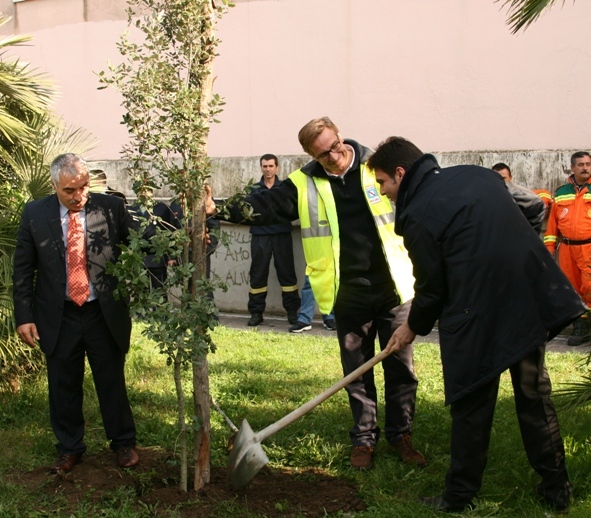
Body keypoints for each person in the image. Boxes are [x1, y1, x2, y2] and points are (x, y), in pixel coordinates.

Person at [368, 137, 585, 513]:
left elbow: (432, 289)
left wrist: (411, 328)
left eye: (384, 183)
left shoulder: (418, 214)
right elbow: (534, 207)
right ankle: (557, 489)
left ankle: (458, 498)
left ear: (401, 173)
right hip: (525, 298)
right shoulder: (479, 176)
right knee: (534, 396)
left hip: (476, 316)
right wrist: (515, 251)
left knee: (471, 405)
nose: (384, 193)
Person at [207, 117, 424, 470]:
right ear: (311, 156)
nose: (335, 156)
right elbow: (266, 205)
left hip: (395, 288)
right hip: (347, 295)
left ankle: (402, 437)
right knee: (356, 373)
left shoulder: (375, 166)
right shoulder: (303, 183)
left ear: (341, 136)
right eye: (324, 155)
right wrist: (218, 208)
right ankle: (364, 440)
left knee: (401, 369)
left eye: (336, 146)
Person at [13, 153, 140, 473]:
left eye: (83, 187)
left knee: (111, 379)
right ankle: (69, 447)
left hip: (102, 312)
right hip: (58, 314)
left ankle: (123, 443)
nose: (78, 196)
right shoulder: (35, 214)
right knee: (62, 384)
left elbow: (143, 240)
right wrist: (24, 315)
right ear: (55, 185)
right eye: (70, 190)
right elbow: (23, 269)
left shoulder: (110, 208)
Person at [245, 154, 300, 327]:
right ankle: (256, 312)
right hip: (260, 236)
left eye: (270, 166)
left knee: (287, 273)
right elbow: (249, 212)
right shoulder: (252, 189)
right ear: (261, 168)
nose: (267, 169)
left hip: (282, 235)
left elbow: (290, 209)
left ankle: (292, 312)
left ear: (277, 167)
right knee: (258, 274)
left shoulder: (285, 188)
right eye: (264, 166)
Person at [544, 151, 591, 346]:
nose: (585, 168)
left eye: (588, 164)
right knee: (571, 290)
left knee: (589, 287)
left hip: (588, 247)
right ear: (572, 167)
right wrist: (549, 248)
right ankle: (581, 329)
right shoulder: (561, 192)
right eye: (581, 164)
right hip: (567, 250)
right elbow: (553, 225)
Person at [129, 189, 182, 290]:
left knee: (159, 291)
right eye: (141, 190)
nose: (144, 193)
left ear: (152, 192)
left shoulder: (162, 208)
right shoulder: (131, 209)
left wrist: (171, 255)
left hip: (157, 257)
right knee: (141, 292)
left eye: (147, 190)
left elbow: (170, 230)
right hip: (138, 258)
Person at [491, 162, 545, 233]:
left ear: (510, 178)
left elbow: (538, 204)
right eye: (497, 178)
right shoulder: (486, 195)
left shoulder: (523, 195)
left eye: (503, 178)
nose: (500, 182)